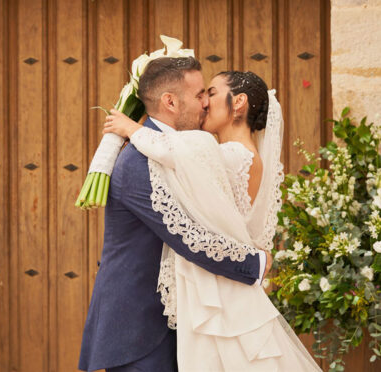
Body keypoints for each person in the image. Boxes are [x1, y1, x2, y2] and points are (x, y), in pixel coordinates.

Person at [102, 68, 322, 371]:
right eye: (201, 94)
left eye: (212, 93)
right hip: (221, 283)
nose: (205, 102)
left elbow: (175, 152)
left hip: (216, 289)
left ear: (239, 103)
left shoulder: (230, 155)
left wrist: (131, 127)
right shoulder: (239, 154)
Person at [78, 58, 272, 372]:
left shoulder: (177, 150)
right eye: (199, 95)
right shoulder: (138, 161)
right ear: (170, 101)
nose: (206, 103)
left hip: (171, 324)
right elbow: (185, 235)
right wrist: (255, 263)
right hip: (138, 331)